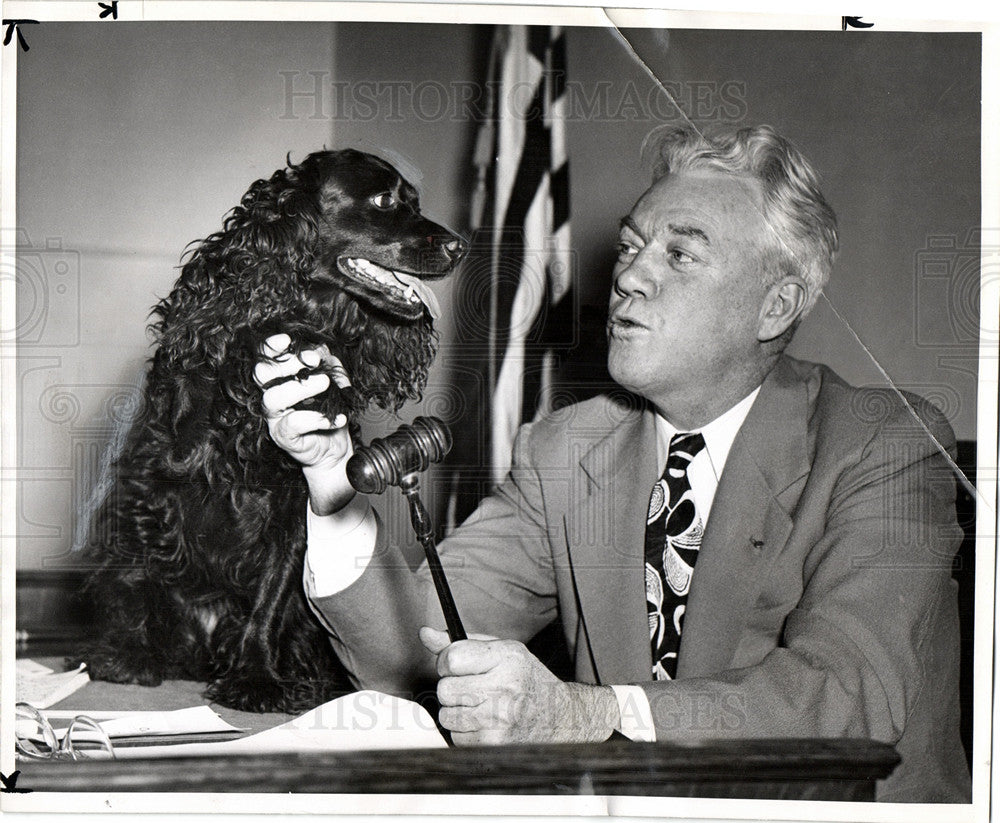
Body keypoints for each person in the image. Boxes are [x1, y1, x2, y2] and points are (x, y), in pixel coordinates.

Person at [254, 125, 971, 803]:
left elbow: (848, 699)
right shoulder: (565, 449)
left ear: (774, 306)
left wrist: (583, 713)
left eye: (679, 255)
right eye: (631, 246)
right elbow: (405, 660)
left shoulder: (887, 444)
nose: (629, 277)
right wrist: (330, 477)